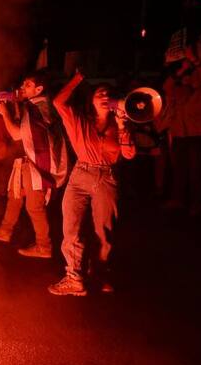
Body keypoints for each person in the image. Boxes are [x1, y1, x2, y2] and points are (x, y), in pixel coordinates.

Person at [49, 70, 136, 296]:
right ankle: (74, 278)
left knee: (103, 232)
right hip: (80, 174)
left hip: (107, 177)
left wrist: (123, 127)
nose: (104, 95)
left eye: (108, 93)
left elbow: (129, 155)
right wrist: (78, 79)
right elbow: (58, 102)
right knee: (72, 228)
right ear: (92, 99)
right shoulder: (79, 120)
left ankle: (99, 274)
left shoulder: (120, 124)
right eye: (100, 92)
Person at [0, 72, 68, 258]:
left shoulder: (36, 108)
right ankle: (5, 230)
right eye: (23, 83)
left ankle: (44, 246)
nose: (23, 87)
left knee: (34, 206)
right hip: (31, 160)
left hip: (38, 165)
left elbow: (16, 134)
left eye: (28, 85)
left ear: (39, 89)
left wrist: (4, 113)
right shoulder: (38, 106)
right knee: (15, 195)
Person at [160, 46, 201, 214]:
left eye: (191, 76)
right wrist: (182, 69)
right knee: (179, 169)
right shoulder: (178, 92)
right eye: (186, 76)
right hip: (180, 135)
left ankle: (197, 202)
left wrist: (195, 61)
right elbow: (167, 86)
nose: (188, 79)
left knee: (197, 170)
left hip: (199, 135)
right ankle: (178, 199)